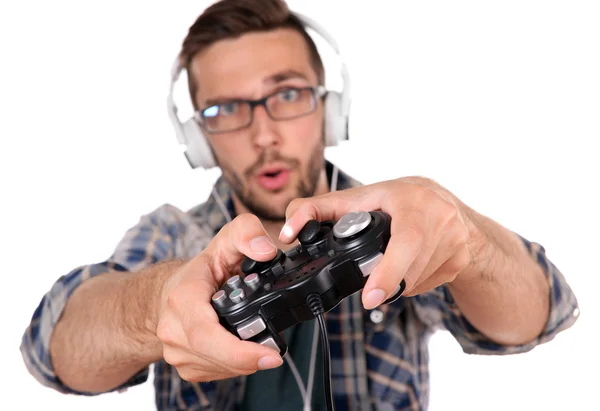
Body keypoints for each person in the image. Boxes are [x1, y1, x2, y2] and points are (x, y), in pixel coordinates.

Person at [20, 0, 580, 410]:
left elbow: (539, 317)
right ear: (197, 140)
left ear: (329, 109)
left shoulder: (399, 225)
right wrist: (153, 306)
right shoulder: (172, 236)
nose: (263, 134)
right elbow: (53, 349)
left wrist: (469, 238)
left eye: (287, 94)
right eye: (225, 110)